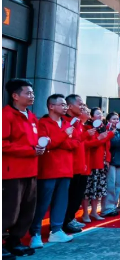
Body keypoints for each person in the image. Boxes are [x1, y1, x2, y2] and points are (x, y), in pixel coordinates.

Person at [29, 94, 80, 248]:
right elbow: (45, 144)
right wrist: (63, 136)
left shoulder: (67, 123)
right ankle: (35, 233)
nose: (65, 107)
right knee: (43, 203)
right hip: (49, 169)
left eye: (65, 105)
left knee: (61, 201)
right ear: (51, 106)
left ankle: (56, 230)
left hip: (66, 168)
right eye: (62, 104)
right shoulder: (43, 123)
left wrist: (57, 141)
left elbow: (76, 143)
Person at [2, 79, 44, 260]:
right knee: (9, 209)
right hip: (12, 172)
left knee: (27, 209)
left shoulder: (31, 116)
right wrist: (29, 150)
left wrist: (40, 147)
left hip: (31, 170)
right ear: (15, 96)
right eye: (28, 93)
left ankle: (15, 241)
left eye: (32, 93)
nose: (32, 96)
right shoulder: (6, 115)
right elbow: (3, 143)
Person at [62, 94, 92, 234]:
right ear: (70, 106)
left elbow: (79, 143)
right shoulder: (65, 122)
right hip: (69, 166)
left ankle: (70, 219)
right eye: (80, 104)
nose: (82, 107)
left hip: (80, 166)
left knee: (77, 195)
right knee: (68, 196)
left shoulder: (78, 123)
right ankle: (64, 222)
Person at [81, 108, 114, 222]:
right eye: (97, 114)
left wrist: (107, 160)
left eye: (101, 114)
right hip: (92, 163)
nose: (100, 116)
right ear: (91, 117)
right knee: (88, 190)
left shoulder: (103, 128)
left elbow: (107, 146)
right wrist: (108, 135)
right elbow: (91, 144)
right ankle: (85, 213)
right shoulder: (87, 128)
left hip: (102, 163)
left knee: (98, 190)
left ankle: (94, 212)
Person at [100, 112, 120, 217]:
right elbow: (112, 144)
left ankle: (113, 206)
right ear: (108, 120)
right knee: (110, 185)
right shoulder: (107, 131)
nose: (116, 121)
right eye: (114, 119)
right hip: (111, 161)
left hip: (119, 161)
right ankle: (107, 208)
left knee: (118, 185)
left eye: (117, 119)